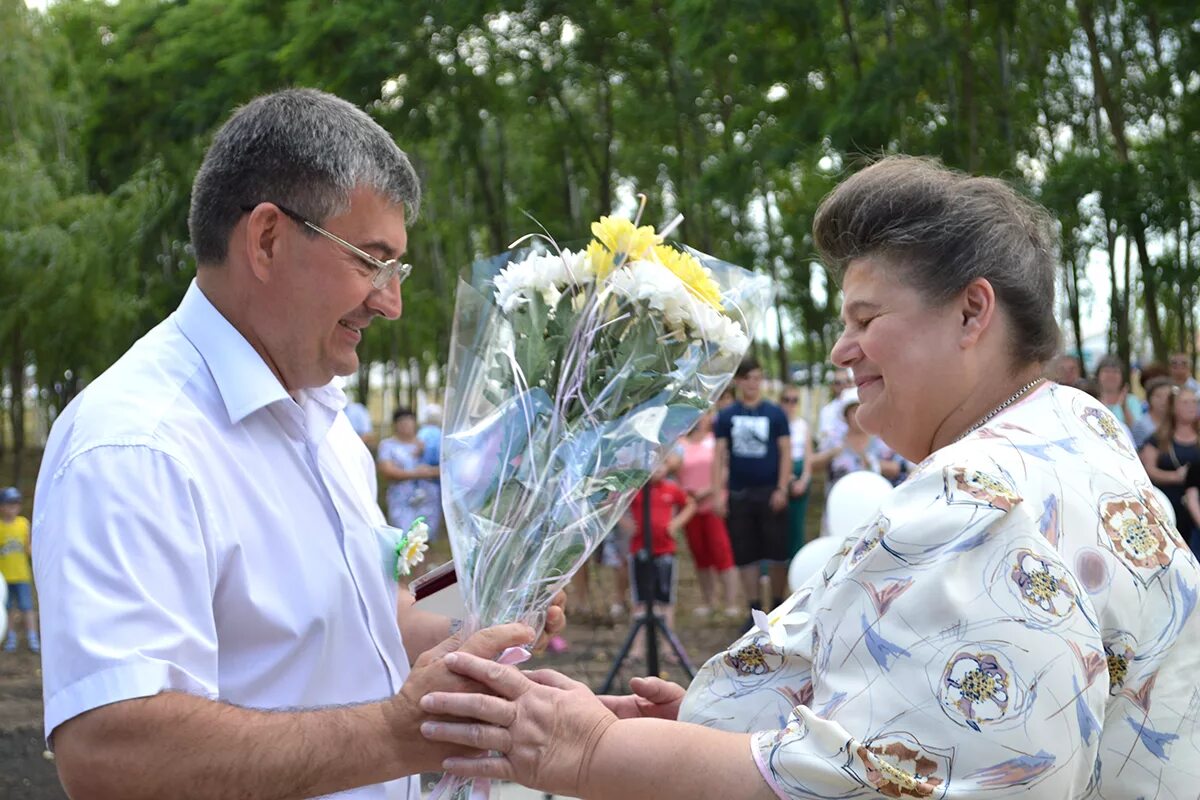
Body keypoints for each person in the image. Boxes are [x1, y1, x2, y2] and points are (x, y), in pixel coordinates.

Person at [413, 156, 1200, 800]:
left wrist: (591, 753)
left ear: (971, 313)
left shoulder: (978, 494)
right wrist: (718, 723)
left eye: (866, 319)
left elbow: (883, 783)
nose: (840, 350)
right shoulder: (1077, 428)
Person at [31, 88, 562, 800]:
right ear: (267, 241)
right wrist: (396, 736)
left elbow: (368, 626)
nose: (390, 302)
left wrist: (491, 594)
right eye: (371, 262)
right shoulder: (134, 447)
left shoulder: (327, 420)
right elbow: (110, 754)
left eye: (396, 270)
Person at [712, 357, 792, 616]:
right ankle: (755, 611)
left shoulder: (775, 413)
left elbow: (786, 452)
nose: (752, 383)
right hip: (739, 494)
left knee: (777, 552)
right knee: (746, 555)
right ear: (738, 381)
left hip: (770, 493)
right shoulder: (726, 416)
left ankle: (778, 606)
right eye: (747, 378)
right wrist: (718, 494)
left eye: (757, 378)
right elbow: (718, 455)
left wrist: (782, 488)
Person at [626, 463, 695, 660]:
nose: (658, 469)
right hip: (640, 551)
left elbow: (690, 504)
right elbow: (613, 504)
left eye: (662, 464)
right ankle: (637, 648)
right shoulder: (636, 489)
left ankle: (667, 647)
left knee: (666, 601)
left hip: (665, 552)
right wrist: (626, 524)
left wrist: (676, 524)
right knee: (640, 601)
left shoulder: (671, 488)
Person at [677, 412, 740, 617]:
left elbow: (725, 470)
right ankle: (708, 601)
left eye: (703, 415)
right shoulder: (680, 443)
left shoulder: (715, 441)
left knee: (721, 551)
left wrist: (708, 490)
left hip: (713, 503)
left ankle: (730, 602)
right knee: (700, 553)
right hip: (689, 507)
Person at [1140, 386, 1200, 545]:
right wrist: (1174, 477)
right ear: (1173, 407)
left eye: (1194, 402)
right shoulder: (1158, 438)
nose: (1191, 406)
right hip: (1168, 505)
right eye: (1185, 402)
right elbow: (1148, 470)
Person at [813, 389, 903, 490]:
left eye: (863, 410)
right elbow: (812, 465)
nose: (860, 415)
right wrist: (830, 454)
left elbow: (897, 468)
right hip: (840, 497)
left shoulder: (882, 440)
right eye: (854, 411)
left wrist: (873, 463)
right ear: (845, 416)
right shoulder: (835, 440)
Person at [378, 407, 441, 537]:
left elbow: (446, 469)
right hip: (401, 501)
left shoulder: (428, 443)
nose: (406, 425)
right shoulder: (387, 445)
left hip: (428, 500)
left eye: (409, 421)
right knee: (405, 539)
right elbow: (388, 472)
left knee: (425, 538)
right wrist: (417, 473)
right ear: (395, 425)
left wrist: (429, 471)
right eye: (402, 422)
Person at [0, 487, 37, 654]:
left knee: (27, 607)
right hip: (4, 578)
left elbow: (29, 548)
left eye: (16, 503)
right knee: (8, 609)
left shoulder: (23, 524)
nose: (13, 507)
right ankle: (11, 637)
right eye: (9, 504)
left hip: (22, 575)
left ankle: (32, 637)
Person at [780, 386, 814, 555]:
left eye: (794, 400)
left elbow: (808, 457)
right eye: (787, 400)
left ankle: (795, 558)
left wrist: (804, 480)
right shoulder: (777, 424)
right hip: (782, 473)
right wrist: (788, 478)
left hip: (800, 473)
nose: (790, 404)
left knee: (797, 523)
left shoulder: (802, 425)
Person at [1094, 353, 1142, 434]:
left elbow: (1136, 431)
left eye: (1115, 372)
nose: (1111, 375)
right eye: (1106, 371)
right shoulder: (1091, 399)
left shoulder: (1132, 400)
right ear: (1098, 375)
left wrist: (1124, 407)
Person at [1132, 376, 1174, 450]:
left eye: (1168, 396)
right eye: (1158, 396)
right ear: (1149, 399)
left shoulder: (1178, 422)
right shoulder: (1141, 425)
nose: (1164, 400)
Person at [816, 367, 851, 445]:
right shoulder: (826, 411)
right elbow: (825, 437)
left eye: (847, 381)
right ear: (832, 386)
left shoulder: (862, 406)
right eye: (838, 383)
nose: (843, 385)